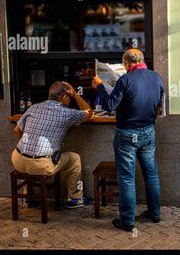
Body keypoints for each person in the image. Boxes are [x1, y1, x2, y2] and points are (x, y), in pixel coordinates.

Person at [93, 49, 164, 232]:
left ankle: (127, 221)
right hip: (149, 131)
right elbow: (158, 103)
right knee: (151, 174)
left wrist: (100, 87)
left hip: (127, 134)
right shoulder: (156, 77)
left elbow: (109, 106)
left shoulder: (125, 80)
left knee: (126, 179)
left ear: (126, 63)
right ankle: (155, 214)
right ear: (141, 60)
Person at [11, 81, 93, 209]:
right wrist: (76, 94)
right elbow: (89, 113)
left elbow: (17, 130)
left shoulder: (33, 107)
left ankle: (28, 197)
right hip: (41, 166)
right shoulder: (67, 113)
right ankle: (75, 199)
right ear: (64, 97)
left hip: (17, 160)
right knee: (74, 158)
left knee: (28, 158)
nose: (70, 101)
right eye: (69, 98)